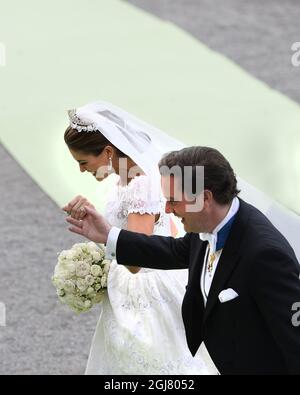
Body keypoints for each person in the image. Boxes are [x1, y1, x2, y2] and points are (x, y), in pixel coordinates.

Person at [66, 146, 300, 375]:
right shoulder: (206, 226)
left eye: (174, 201)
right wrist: (108, 235)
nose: (167, 209)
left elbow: (295, 340)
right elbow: (173, 250)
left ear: (205, 198)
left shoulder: (265, 255)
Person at [63, 102, 212, 374]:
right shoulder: (125, 178)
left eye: (83, 162)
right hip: (137, 284)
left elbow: (135, 259)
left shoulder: (140, 184)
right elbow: (158, 231)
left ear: (108, 151)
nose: (82, 170)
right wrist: (98, 224)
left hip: (146, 290)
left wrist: (103, 240)